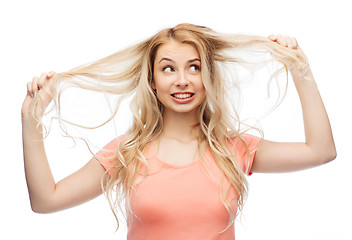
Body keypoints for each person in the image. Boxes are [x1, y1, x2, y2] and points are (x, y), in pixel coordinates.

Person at [21, 23, 336, 240]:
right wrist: (30, 119)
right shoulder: (126, 152)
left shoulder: (234, 148)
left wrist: (300, 69)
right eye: (168, 68)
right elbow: (46, 201)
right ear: (153, 81)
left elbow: (321, 151)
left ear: (208, 77)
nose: (182, 80)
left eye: (194, 67)